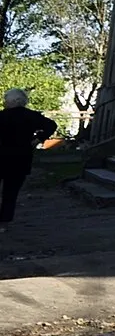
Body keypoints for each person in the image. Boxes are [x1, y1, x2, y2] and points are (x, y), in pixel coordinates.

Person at [0, 88, 59, 230]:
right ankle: (4, 222)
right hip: (21, 158)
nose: (4, 102)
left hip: (1, 157)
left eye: (6, 99)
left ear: (12, 101)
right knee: (11, 192)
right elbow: (51, 125)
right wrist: (38, 139)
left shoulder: (1, 116)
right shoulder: (31, 116)